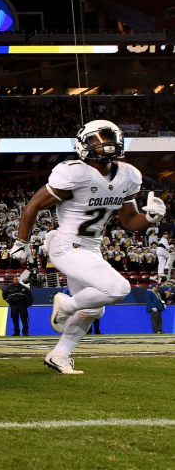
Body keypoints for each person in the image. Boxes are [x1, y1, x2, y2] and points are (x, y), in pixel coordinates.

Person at [10, 120, 164, 374]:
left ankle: (59, 354)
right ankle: (66, 304)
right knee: (118, 287)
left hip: (90, 249)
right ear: (84, 145)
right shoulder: (74, 171)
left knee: (94, 307)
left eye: (110, 137)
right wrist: (21, 242)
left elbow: (128, 221)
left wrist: (150, 218)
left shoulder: (129, 174)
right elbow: (34, 205)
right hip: (67, 246)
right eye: (98, 139)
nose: (105, 144)